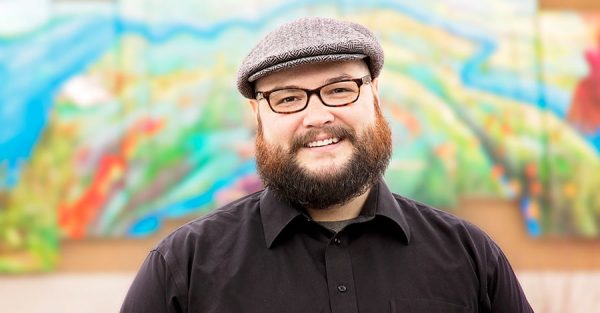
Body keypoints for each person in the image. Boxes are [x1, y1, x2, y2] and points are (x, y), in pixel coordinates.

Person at [121, 17, 533, 313]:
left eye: (339, 90)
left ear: (375, 94)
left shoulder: (469, 256)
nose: (317, 116)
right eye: (287, 98)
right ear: (257, 114)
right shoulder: (184, 267)